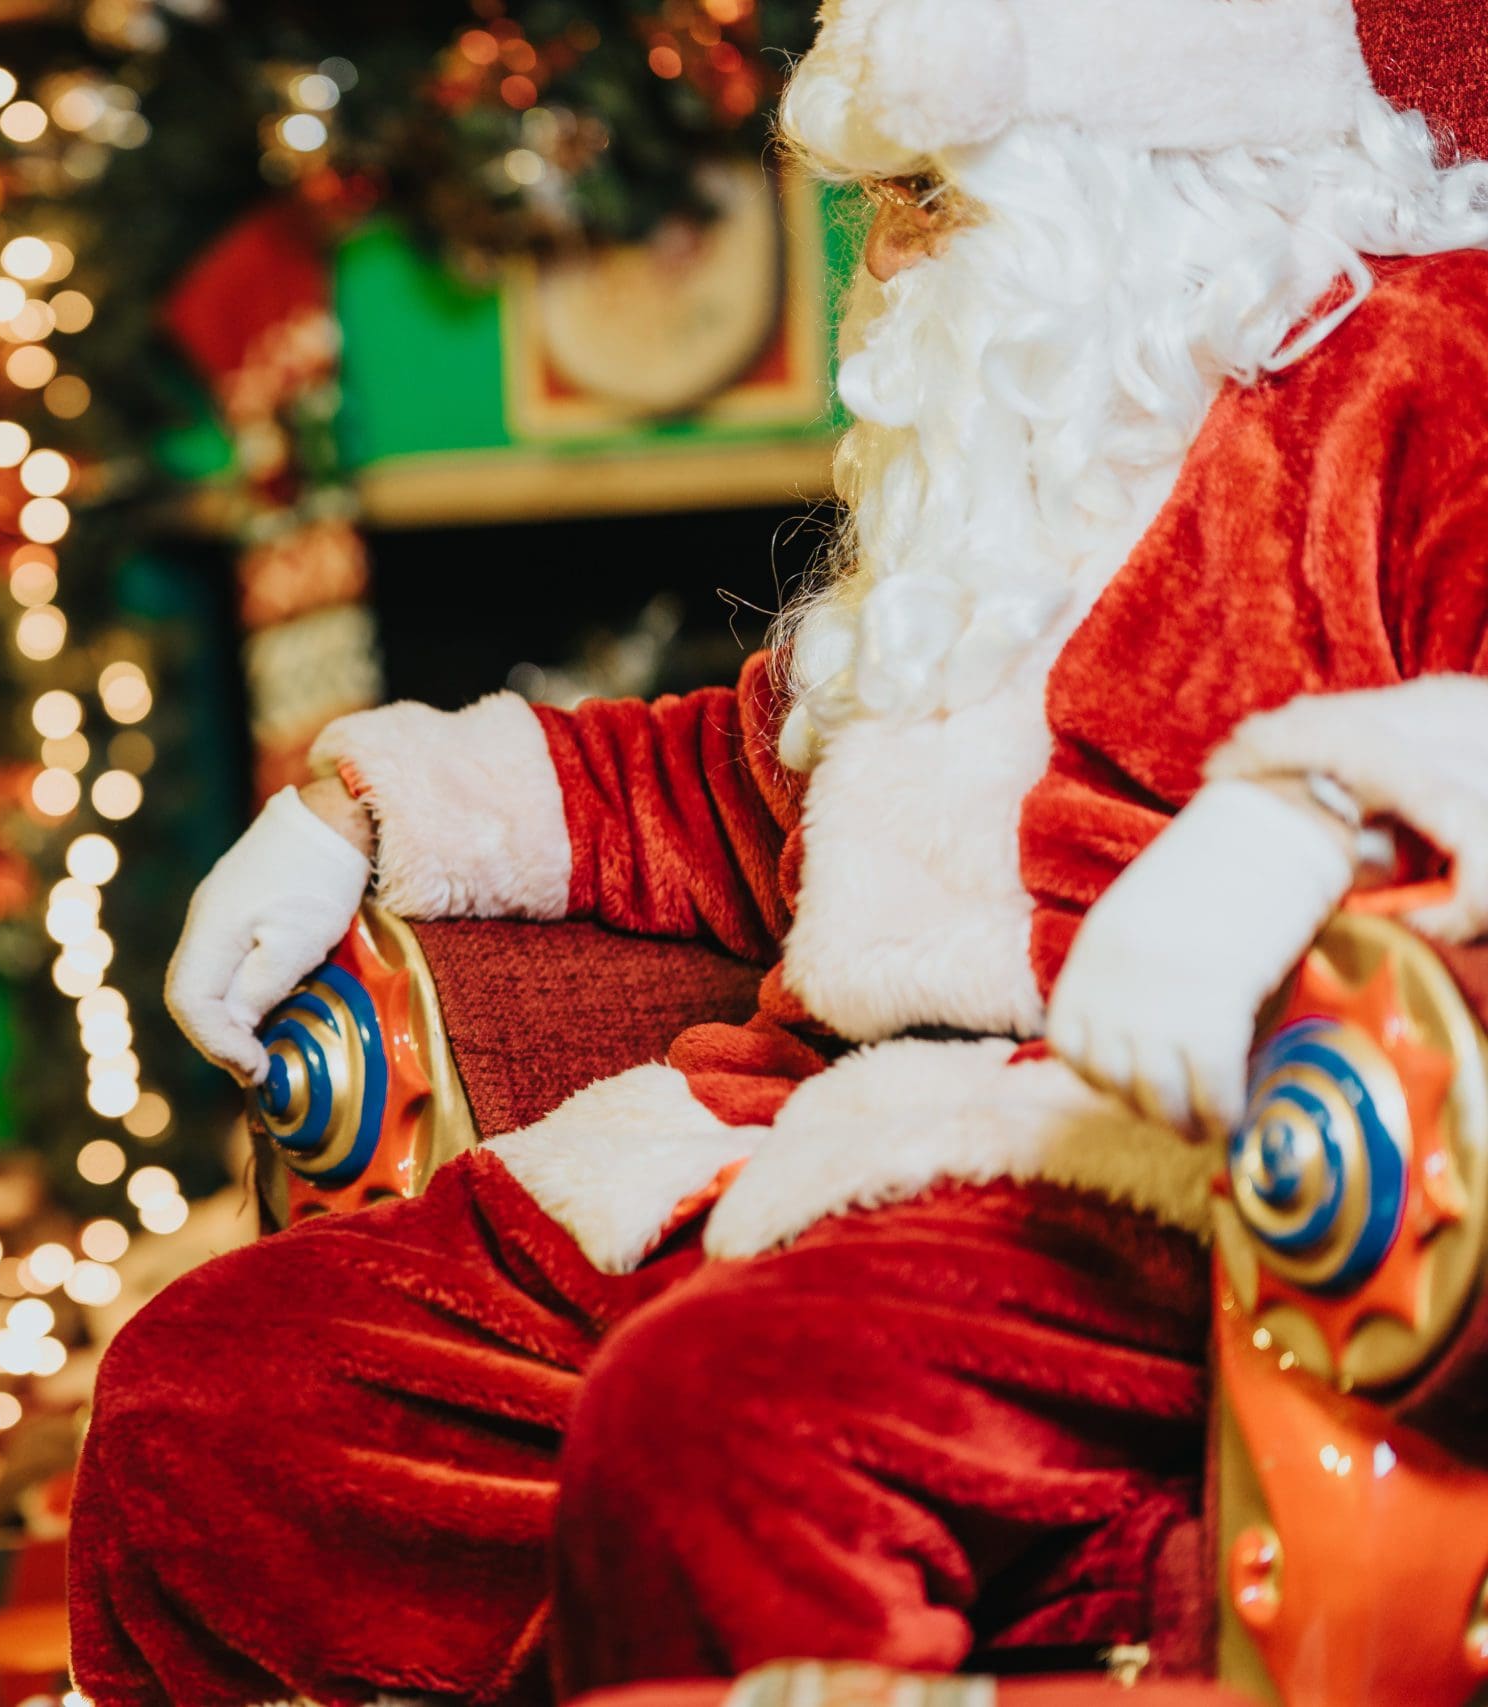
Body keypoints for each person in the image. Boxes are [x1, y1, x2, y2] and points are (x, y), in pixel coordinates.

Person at [72, 2, 1488, 1702]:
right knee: (222, 1386)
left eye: (927, 201)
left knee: (728, 1406)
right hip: (793, 1149)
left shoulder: (1420, 369)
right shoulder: (1017, 468)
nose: (877, 272)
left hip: (1170, 1189)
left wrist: (1310, 809)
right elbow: (754, 783)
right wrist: (359, 806)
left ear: (1136, 169)